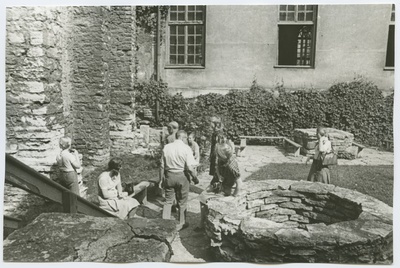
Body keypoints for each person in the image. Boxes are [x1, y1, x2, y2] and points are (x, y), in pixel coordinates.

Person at [160, 130, 199, 230]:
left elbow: (162, 166)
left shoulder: (167, 147)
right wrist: (195, 177)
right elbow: (190, 167)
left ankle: (164, 223)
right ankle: (181, 223)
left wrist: (161, 179)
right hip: (182, 176)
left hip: (169, 176)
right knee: (182, 201)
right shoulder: (186, 148)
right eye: (186, 138)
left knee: (168, 201)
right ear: (183, 138)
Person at [214, 131, 242, 197]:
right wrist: (219, 175)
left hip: (230, 186)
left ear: (223, 156)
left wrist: (234, 196)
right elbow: (217, 166)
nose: (217, 156)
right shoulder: (221, 160)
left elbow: (239, 183)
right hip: (224, 182)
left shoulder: (232, 167)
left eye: (218, 155)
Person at [209, 116, 223, 183]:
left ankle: (217, 182)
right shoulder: (215, 133)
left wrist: (216, 156)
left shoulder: (218, 134)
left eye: (211, 122)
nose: (210, 124)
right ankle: (215, 181)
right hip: (214, 153)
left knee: (216, 168)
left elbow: (218, 145)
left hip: (217, 153)